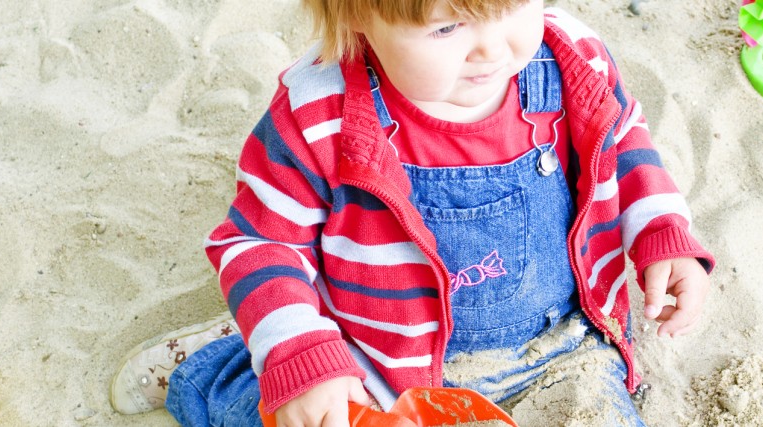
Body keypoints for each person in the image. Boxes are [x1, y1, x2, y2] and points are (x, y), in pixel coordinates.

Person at [110, 0, 714, 425]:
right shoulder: (318, 115)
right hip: (381, 363)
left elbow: (623, 137)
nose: (492, 47)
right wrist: (299, 356)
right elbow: (257, 243)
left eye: (514, 5)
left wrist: (662, 231)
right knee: (299, 405)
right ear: (357, 14)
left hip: (566, 347)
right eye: (447, 26)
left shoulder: (572, 60)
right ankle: (225, 368)